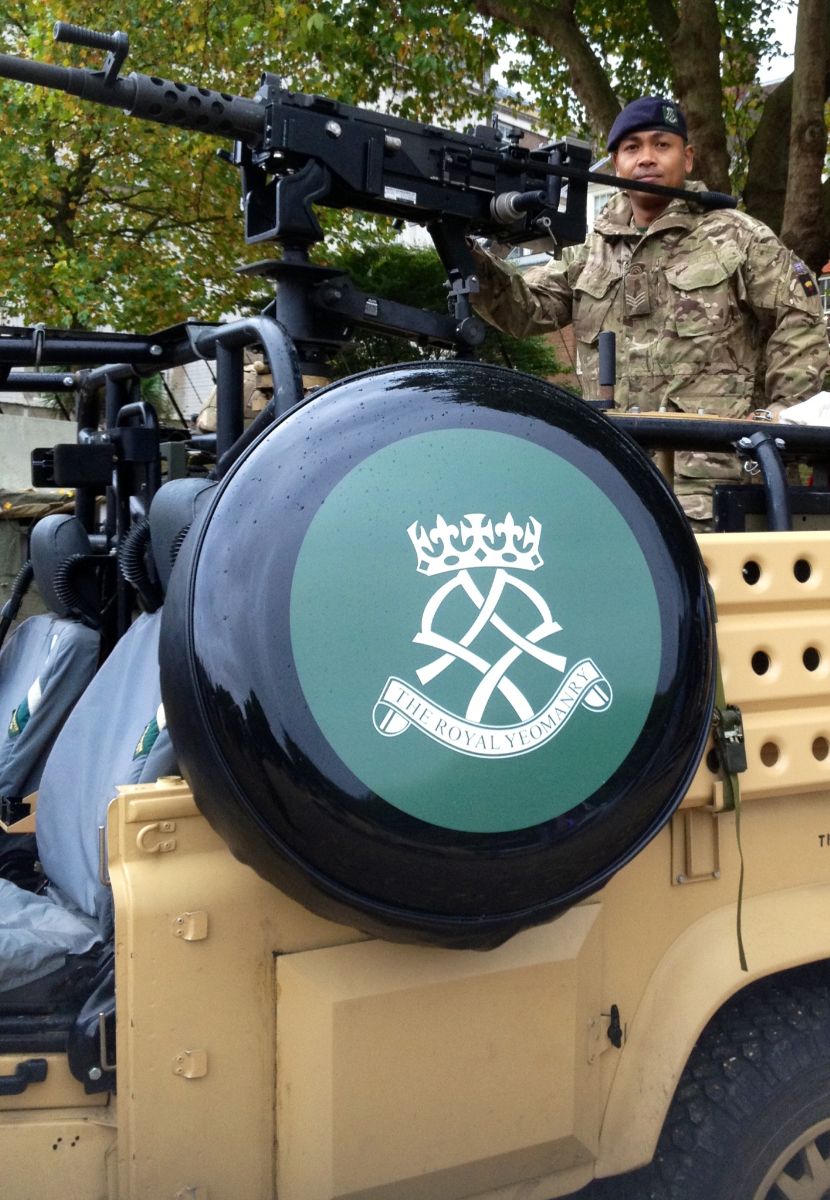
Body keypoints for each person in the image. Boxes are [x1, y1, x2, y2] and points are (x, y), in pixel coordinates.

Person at [471, 95, 830, 526]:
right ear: (616, 163)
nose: (647, 158)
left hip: (713, 490)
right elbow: (525, 310)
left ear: (689, 158)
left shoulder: (737, 236)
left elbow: (802, 315)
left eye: (662, 145)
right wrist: (465, 252)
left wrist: (783, 419)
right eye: (632, 148)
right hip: (616, 481)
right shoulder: (589, 253)